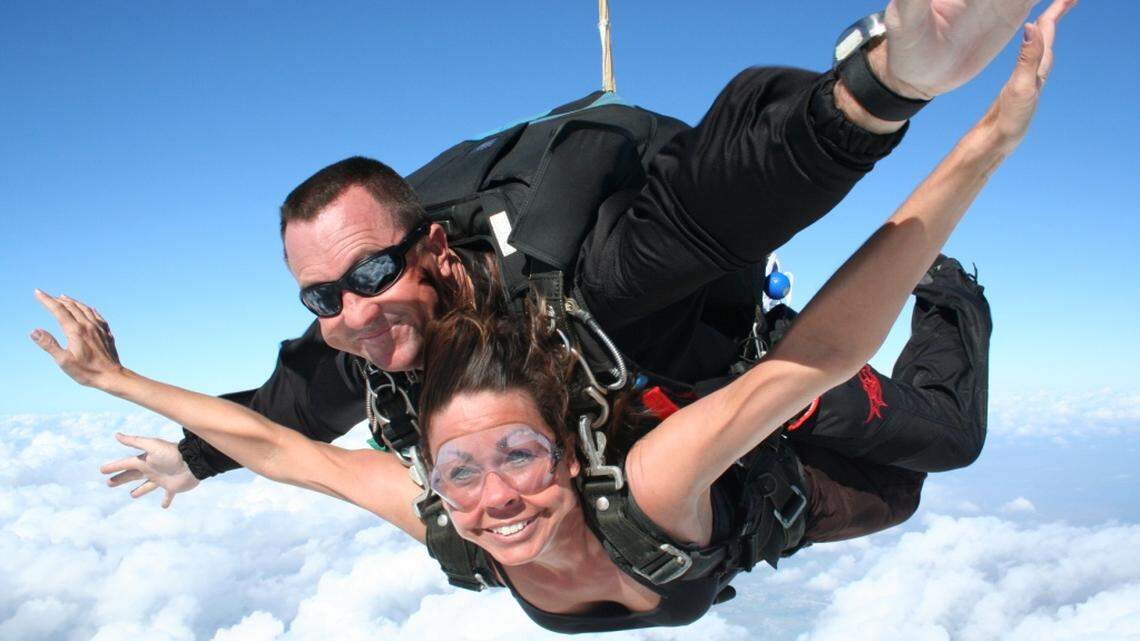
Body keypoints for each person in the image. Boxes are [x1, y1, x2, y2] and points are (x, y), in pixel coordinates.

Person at [31, 1, 1070, 631]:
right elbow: (282, 425)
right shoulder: (380, 373)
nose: (346, 312)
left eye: (369, 271)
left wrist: (883, 89)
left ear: (434, 248)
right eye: (320, 296)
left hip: (717, 394)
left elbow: (728, 195)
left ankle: (954, 291)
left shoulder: (589, 287)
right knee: (898, 493)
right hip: (722, 493)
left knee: (944, 441)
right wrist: (175, 440)